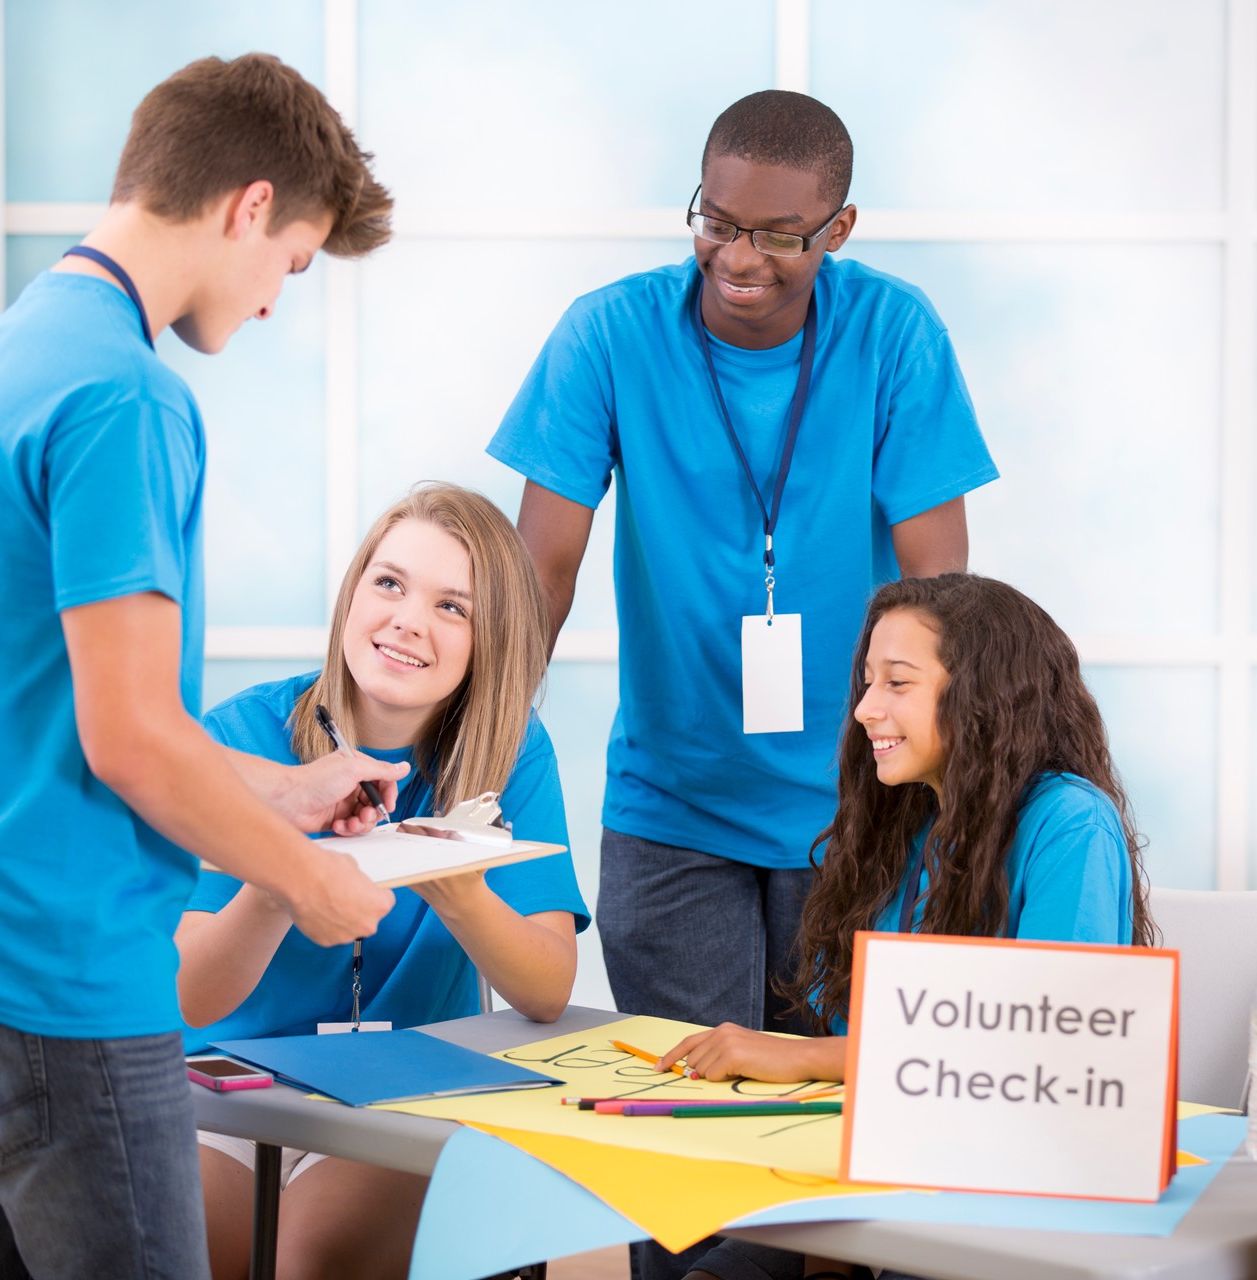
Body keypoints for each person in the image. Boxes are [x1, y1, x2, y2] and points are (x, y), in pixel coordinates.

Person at [0, 54, 399, 1279]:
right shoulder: (125, 395)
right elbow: (130, 740)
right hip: (64, 981)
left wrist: (280, 789)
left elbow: (52, 705)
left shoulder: (7, 352)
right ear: (250, 205)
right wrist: (310, 884)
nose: (278, 298)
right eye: (295, 262)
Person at [489, 79, 994, 1224]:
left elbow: (941, 601)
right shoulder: (610, 334)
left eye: (778, 234)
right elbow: (541, 574)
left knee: (837, 1154)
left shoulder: (893, 332)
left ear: (839, 231)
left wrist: (951, 802)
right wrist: (485, 758)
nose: (740, 256)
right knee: (688, 1164)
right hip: (673, 810)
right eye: (717, 221)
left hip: (857, 810)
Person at [667, 574, 1159, 1280]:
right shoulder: (903, 825)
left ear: (986, 694)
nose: (866, 708)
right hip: (885, 1172)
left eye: (898, 683)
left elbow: (1038, 1055)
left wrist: (798, 1056)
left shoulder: (1071, 822)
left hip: (1006, 1191)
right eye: (867, 682)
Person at [176, 483, 590, 1280]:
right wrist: (280, 879)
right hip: (229, 1087)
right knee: (201, 1253)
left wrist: (458, 884)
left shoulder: (513, 755)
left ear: (487, 640)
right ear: (353, 593)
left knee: (312, 1258)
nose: (407, 619)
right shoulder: (240, 736)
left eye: (452, 607)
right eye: (390, 583)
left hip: (402, 1091)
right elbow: (188, 994)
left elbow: (546, 988)